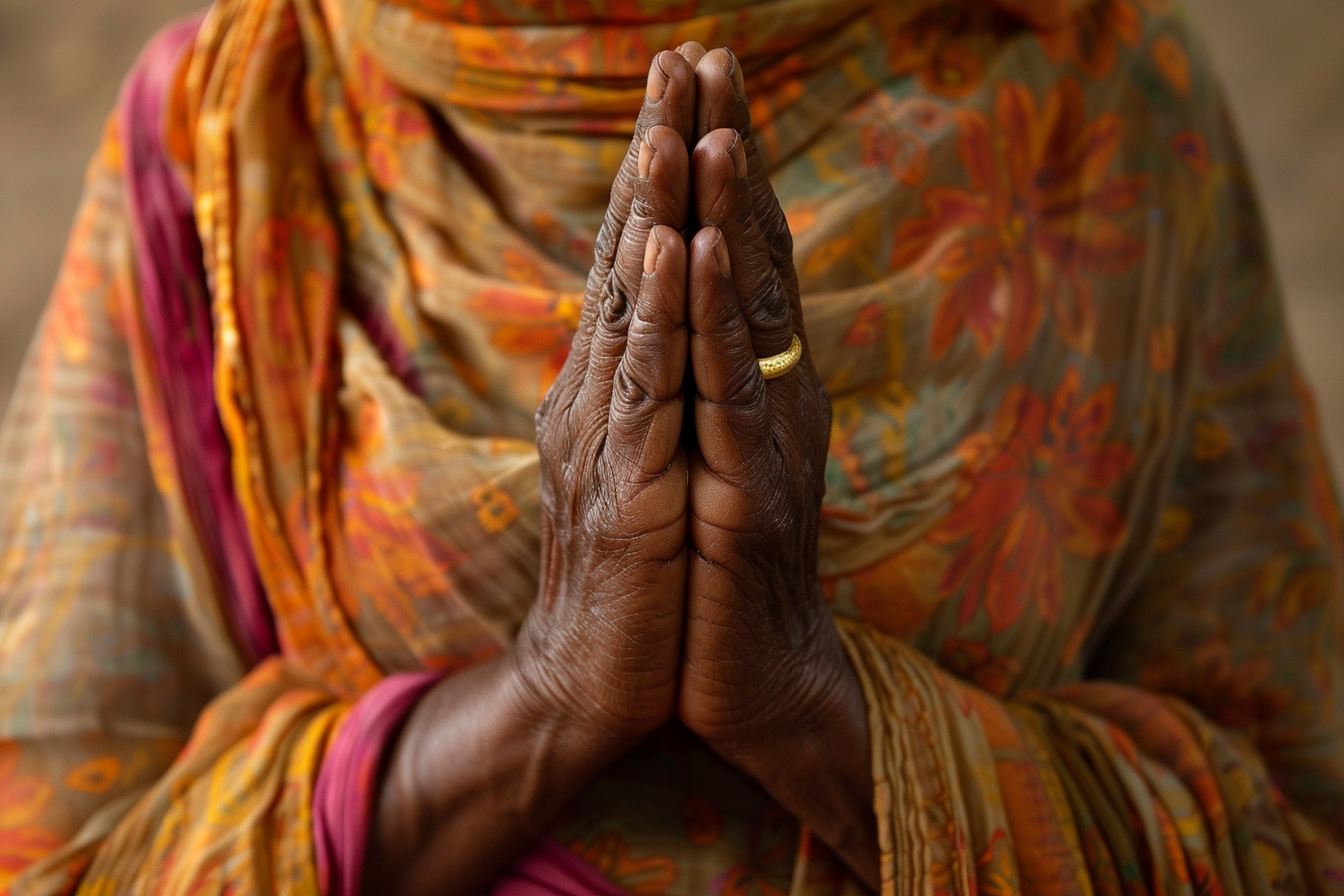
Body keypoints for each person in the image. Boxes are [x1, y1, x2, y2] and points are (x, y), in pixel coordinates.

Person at [0, 0, 1341, 893]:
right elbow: (56, 859)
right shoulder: (237, 135)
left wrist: (823, 714)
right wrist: (543, 700)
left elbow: (1298, 834)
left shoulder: (1092, 97)